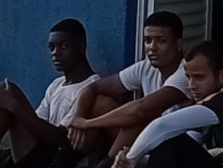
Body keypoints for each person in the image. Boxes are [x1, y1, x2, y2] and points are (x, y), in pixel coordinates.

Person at [0, 18, 113, 168]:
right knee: (5, 94)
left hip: (60, 160)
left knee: (11, 95)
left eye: (64, 46)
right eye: (52, 48)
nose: (56, 53)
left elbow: (60, 139)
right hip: (41, 153)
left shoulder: (91, 87)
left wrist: (15, 105)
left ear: (81, 47)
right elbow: (36, 122)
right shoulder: (57, 85)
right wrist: (5, 101)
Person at [116, 41, 223, 168]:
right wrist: (139, 159)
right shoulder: (217, 99)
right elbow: (190, 143)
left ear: (222, 75)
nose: (191, 85)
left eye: (199, 78)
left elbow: (161, 126)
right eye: (188, 77)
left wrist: (130, 159)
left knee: (170, 142)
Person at [68, 12, 192, 159]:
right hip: (150, 138)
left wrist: (88, 124)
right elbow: (92, 87)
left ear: (178, 44)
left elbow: (141, 111)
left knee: (139, 119)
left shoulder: (187, 73)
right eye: (147, 40)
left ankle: (108, 162)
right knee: (101, 103)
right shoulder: (145, 68)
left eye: (161, 41)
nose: (152, 47)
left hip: (180, 147)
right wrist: (78, 120)